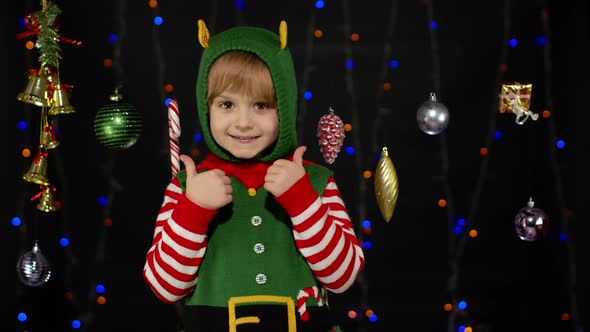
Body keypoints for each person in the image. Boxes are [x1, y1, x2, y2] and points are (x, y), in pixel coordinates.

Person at [143, 19, 365, 332]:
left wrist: (301, 200)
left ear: (284, 109)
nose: (243, 122)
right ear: (207, 109)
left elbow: (342, 278)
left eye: (261, 105)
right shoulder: (188, 186)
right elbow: (165, 288)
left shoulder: (313, 181)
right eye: (226, 104)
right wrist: (193, 209)